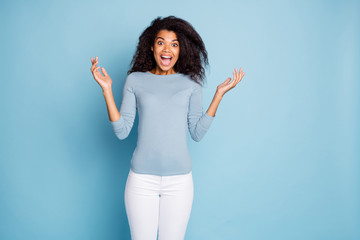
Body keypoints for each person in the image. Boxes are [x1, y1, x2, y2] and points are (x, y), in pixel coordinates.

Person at [90, 16, 245, 240]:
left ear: (181, 50)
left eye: (174, 44)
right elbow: (121, 130)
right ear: (151, 46)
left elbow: (197, 133)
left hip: (180, 182)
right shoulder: (135, 80)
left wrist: (218, 95)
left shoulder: (191, 83)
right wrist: (106, 90)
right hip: (141, 180)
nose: (167, 49)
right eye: (161, 42)